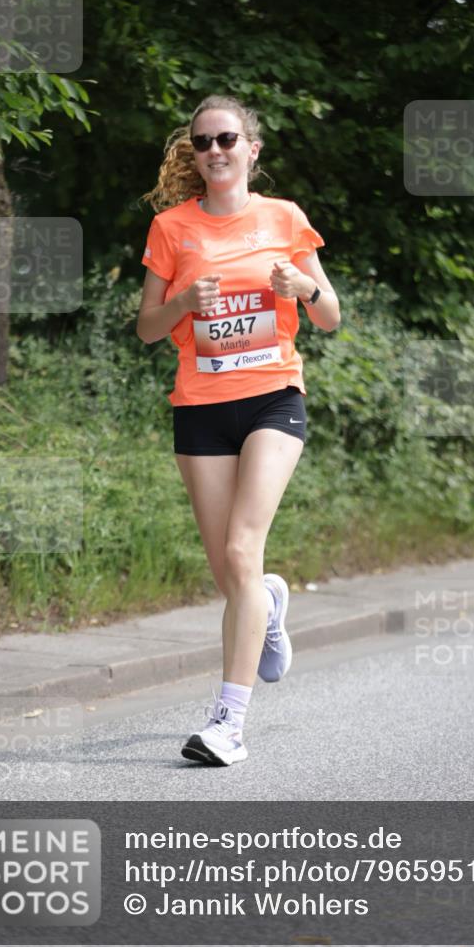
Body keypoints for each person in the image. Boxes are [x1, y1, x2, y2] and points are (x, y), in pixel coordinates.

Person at [137, 94, 340, 767]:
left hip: (272, 399)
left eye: (226, 138)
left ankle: (228, 723)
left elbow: (331, 316)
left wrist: (301, 287)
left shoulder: (284, 218)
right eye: (202, 142)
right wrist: (182, 302)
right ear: (194, 156)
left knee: (242, 547)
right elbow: (147, 328)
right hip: (200, 406)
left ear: (251, 148)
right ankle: (270, 608)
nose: (214, 150)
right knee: (231, 572)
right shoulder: (171, 227)